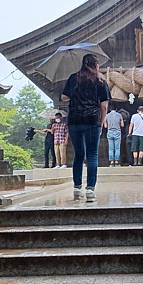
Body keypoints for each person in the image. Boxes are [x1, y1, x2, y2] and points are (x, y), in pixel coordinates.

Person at [62, 54, 110, 202]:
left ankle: (77, 188)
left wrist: (74, 95)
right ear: (96, 65)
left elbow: (64, 97)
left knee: (78, 154)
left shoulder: (73, 78)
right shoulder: (100, 81)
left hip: (75, 120)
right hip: (92, 120)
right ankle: (90, 189)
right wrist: (101, 122)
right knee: (92, 155)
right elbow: (104, 105)